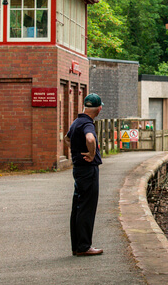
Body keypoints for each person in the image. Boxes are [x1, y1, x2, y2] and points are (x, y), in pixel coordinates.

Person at [65, 93, 104, 256]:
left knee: (78, 207)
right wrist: (91, 153)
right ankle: (84, 246)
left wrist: (75, 152)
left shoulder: (76, 122)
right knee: (87, 207)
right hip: (88, 171)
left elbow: (67, 139)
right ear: (99, 109)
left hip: (79, 169)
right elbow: (90, 139)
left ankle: (77, 246)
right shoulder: (88, 124)